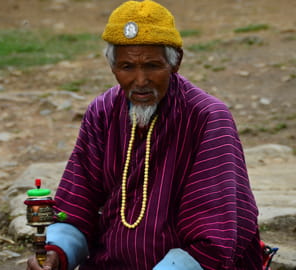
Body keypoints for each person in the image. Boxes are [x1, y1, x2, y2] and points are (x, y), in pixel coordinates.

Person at [26, 0, 262, 269]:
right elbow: (78, 203)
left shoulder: (207, 117)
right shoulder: (102, 111)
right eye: (127, 67)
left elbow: (213, 236)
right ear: (112, 67)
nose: (140, 80)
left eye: (152, 66)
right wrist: (57, 253)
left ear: (176, 63)